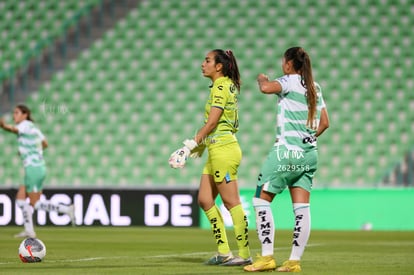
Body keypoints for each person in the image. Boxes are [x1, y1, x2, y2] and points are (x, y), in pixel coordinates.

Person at [244, 47, 330, 272]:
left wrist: (262, 78)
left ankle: (266, 257)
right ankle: (293, 261)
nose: (283, 65)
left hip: (285, 152)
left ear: (290, 64)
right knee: (301, 207)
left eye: (284, 61)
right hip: (309, 153)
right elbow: (325, 123)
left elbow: (265, 88)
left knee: (260, 200)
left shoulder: (290, 80)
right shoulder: (315, 87)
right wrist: (307, 138)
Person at [168, 49, 251, 266]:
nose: (202, 64)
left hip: (224, 149)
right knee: (204, 200)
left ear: (219, 66)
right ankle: (224, 252)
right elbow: (215, 125)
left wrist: (189, 146)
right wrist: (201, 147)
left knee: (231, 201)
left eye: (207, 60)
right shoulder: (221, 85)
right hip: (215, 149)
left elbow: (213, 123)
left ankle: (244, 253)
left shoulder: (221, 86)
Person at [0, 104, 75, 238]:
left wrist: (3, 126)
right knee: (21, 198)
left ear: (25, 114)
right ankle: (29, 230)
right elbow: (44, 143)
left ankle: (66, 209)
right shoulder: (33, 128)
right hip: (38, 167)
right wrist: (31, 150)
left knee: (35, 203)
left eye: (16, 113)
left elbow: (13, 129)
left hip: (33, 168)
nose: (14, 116)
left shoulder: (25, 124)